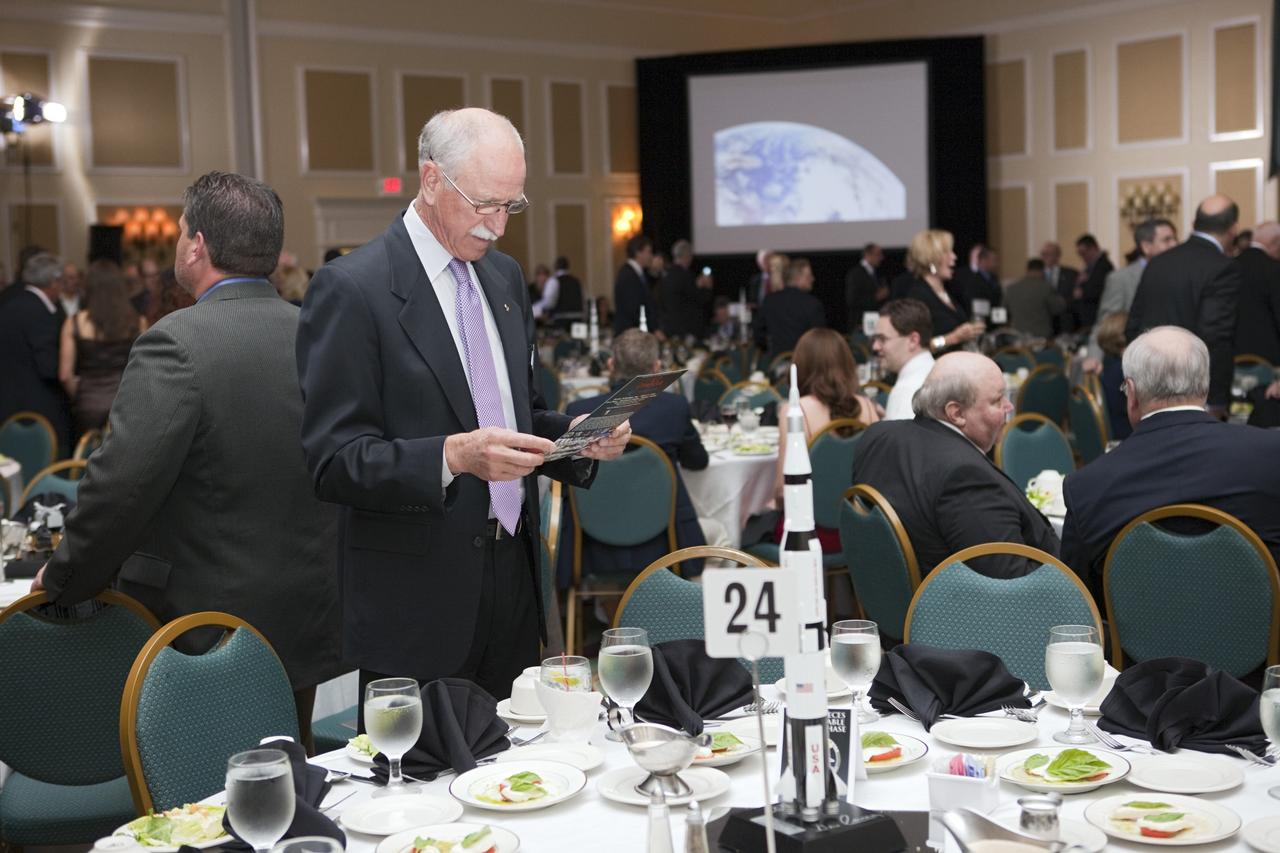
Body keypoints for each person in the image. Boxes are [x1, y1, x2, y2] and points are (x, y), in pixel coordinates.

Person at [296, 108, 629, 709]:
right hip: (415, 602)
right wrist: (452, 456)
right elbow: (333, 461)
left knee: (519, 781)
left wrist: (574, 436)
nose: (498, 226)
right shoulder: (352, 288)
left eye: (511, 206)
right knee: (423, 793)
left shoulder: (503, 279)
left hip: (514, 581)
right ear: (430, 181)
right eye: (484, 204)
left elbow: (519, 414)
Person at [32, 172, 344, 750]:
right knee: (283, 781)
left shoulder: (176, 342)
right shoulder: (316, 333)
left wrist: (65, 577)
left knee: (205, 805)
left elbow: (121, 487)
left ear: (197, 245)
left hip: (206, 625)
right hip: (307, 605)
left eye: (179, 232)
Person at [1060, 326, 1280, 596]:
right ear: (1206, 386)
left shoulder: (1086, 489)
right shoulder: (1271, 455)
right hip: (1259, 637)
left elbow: (1079, 605)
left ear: (1131, 393)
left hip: (1133, 639)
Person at [852, 352, 1060, 578]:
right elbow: (1008, 584)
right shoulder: (965, 476)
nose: (1008, 407)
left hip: (893, 597)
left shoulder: (877, 437)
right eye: (997, 400)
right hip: (966, 608)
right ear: (956, 413)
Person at [562, 329, 709, 579]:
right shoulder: (674, 408)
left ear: (610, 365)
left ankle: (605, 613)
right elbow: (698, 461)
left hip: (590, 545)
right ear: (657, 366)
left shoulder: (579, 412)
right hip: (665, 544)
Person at [1125, 194, 1242, 415]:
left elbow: (1133, 325)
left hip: (1147, 391)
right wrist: (1216, 401)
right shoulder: (1222, 267)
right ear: (1234, 229)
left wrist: (1139, 386)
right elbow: (1216, 338)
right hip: (1192, 397)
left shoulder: (1158, 262)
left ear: (1193, 224)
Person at [773, 328, 879, 553]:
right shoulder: (869, 406)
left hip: (809, 535)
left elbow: (783, 492)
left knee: (750, 530)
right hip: (861, 530)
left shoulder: (795, 410)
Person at [58, 260, 147, 435]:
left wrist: (82, 394)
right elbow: (146, 369)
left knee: (86, 457)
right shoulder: (138, 322)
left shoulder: (75, 322)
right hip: (126, 403)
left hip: (88, 405)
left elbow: (64, 375)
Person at [0, 252, 72, 455]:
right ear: (53, 281)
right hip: (38, 411)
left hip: (10, 406)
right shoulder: (38, 311)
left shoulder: (11, 303)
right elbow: (49, 367)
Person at [1084, 218, 1178, 367]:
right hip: (1135, 363)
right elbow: (1105, 321)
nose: (1174, 244)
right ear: (1146, 246)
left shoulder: (1180, 274)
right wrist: (1094, 356)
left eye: (1175, 238)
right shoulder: (1121, 278)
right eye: (1167, 240)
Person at [901, 229, 984, 352]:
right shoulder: (918, 296)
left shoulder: (948, 292)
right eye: (947, 252)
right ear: (931, 257)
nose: (954, 257)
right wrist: (952, 338)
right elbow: (916, 348)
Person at [871, 298, 934, 420]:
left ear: (913, 340)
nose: (875, 346)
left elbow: (901, 439)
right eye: (875, 339)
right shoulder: (937, 371)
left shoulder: (907, 392)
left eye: (882, 339)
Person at [1232, 221, 1280, 365]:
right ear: (1276, 242)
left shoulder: (1228, 266)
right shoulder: (1275, 270)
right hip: (1269, 359)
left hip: (1230, 355)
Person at [659, 239, 713, 340]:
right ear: (687, 256)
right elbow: (699, 299)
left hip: (670, 327)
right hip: (686, 329)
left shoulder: (667, 275)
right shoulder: (685, 276)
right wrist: (707, 287)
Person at [1003, 259, 1065, 338]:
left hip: (1018, 337)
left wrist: (1002, 328)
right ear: (1042, 270)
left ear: (1027, 270)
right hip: (1041, 337)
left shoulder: (1011, 288)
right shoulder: (1045, 287)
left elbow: (1002, 312)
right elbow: (1058, 309)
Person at [614, 233, 658, 335]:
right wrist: (653, 329)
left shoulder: (635, 273)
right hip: (631, 334)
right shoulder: (628, 275)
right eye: (649, 252)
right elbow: (633, 308)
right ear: (638, 253)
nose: (651, 256)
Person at [1072, 234, 1114, 329]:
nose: (1082, 257)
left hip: (1095, 314)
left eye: (1083, 253)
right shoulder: (1091, 266)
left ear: (1093, 248)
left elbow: (1101, 290)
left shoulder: (1103, 266)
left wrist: (1082, 292)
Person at [844, 242, 886, 329]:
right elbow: (852, 300)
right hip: (861, 324)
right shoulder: (856, 274)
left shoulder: (877, 273)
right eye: (878, 254)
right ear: (867, 255)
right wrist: (875, 297)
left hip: (875, 321)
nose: (881, 258)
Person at [1041, 241, 1080, 334]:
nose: (1045, 257)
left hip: (1065, 322)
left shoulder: (1071, 274)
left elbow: (1075, 298)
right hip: (1044, 322)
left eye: (1049, 254)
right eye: (1043, 254)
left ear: (1057, 256)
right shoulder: (1037, 276)